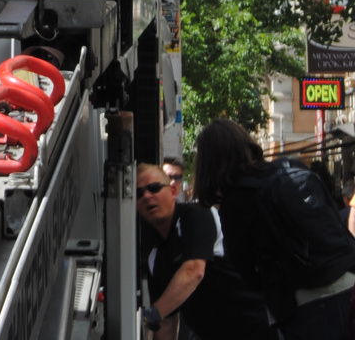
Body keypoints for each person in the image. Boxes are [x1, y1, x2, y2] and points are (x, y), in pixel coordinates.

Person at [193, 119, 355, 340]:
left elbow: (247, 274)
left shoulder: (236, 201)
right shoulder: (289, 167)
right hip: (348, 282)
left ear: (207, 163)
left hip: (308, 304)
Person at [134, 161, 273, 339]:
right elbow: (167, 323)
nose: (147, 196)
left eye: (154, 188)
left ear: (173, 191)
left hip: (259, 328)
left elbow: (194, 271)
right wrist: (158, 314)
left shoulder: (197, 214)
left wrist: (153, 313)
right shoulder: (154, 257)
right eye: (139, 193)